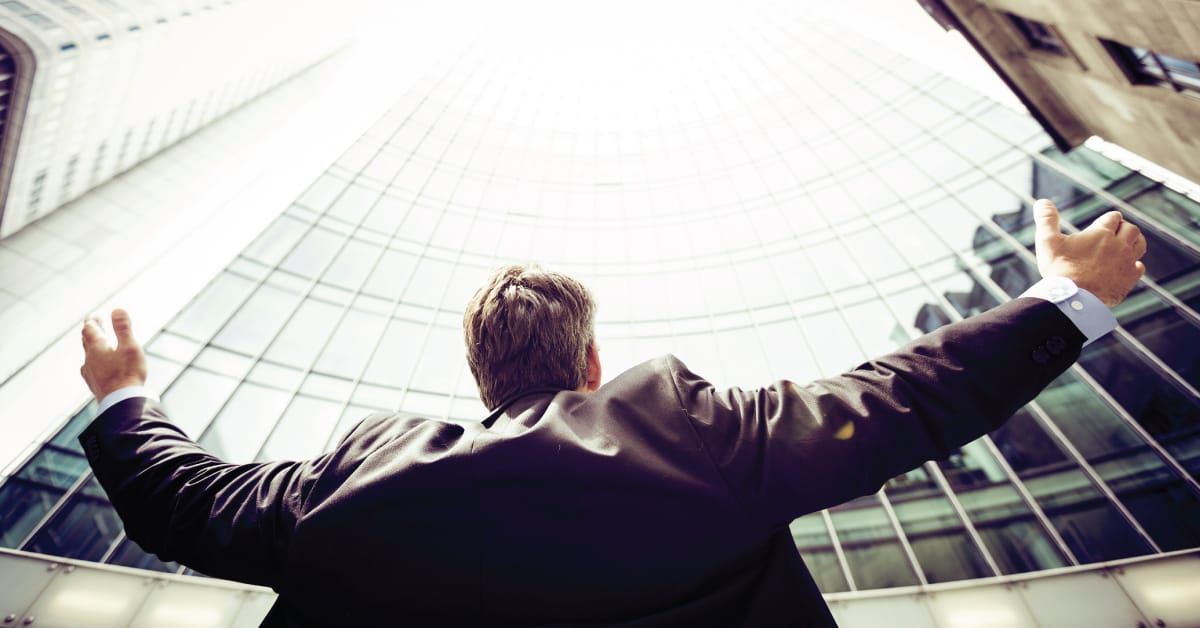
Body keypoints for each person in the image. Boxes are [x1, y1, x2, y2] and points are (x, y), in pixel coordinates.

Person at [78, 199, 1146, 627]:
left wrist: (126, 392)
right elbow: (894, 398)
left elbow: (184, 504)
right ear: (592, 362)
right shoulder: (685, 427)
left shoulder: (352, 482)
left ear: (481, 379)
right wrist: (1064, 299)